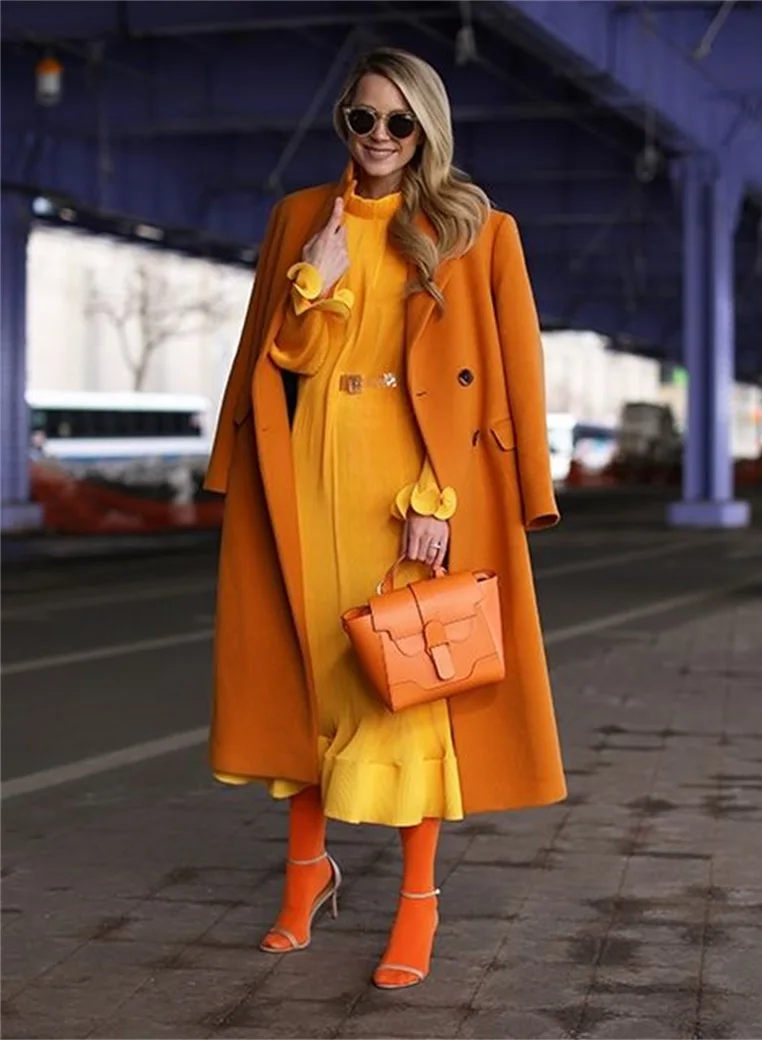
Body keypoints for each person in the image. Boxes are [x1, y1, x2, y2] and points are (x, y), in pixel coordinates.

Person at [204, 46, 566, 990]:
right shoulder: (297, 220)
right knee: (313, 676)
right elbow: (275, 359)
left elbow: (510, 374)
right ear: (344, 123)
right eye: (361, 119)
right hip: (313, 465)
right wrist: (311, 280)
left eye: (398, 123)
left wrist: (443, 498)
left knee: (405, 684)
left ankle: (417, 904)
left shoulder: (476, 229)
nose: (377, 139)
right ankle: (305, 877)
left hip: (413, 487)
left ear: (428, 131)